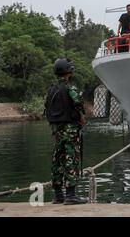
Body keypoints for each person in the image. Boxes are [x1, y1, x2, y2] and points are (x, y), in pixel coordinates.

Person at [45, 58, 87, 205]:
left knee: (57, 159)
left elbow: (47, 108)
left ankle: (57, 195)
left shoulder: (51, 89)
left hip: (56, 130)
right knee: (71, 158)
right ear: (68, 72)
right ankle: (70, 195)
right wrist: (81, 117)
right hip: (70, 129)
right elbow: (78, 103)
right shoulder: (70, 88)